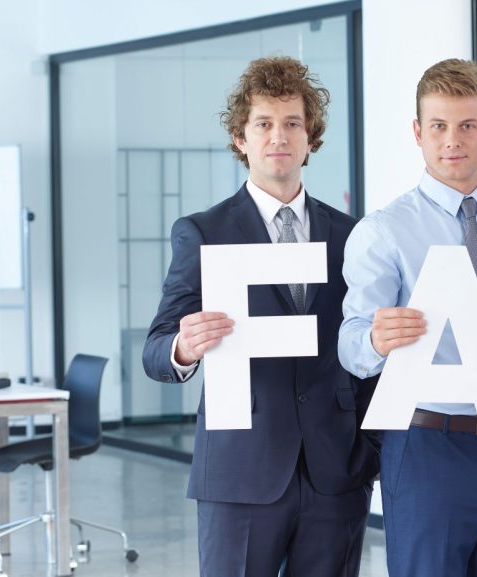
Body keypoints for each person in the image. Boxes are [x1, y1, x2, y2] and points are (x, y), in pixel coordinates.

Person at [142, 56, 379, 577]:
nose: (279, 136)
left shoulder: (352, 235)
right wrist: (182, 347)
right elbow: (156, 348)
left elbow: (368, 342)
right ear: (240, 138)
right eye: (263, 124)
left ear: (311, 138)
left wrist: (368, 450)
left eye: (292, 123)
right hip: (240, 472)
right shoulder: (203, 232)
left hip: (335, 470)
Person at [338, 58, 477, 577]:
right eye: (438, 126)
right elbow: (350, 343)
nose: (452, 140)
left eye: (467, 126)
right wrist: (376, 338)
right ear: (418, 132)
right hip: (427, 448)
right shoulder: (383, 231)